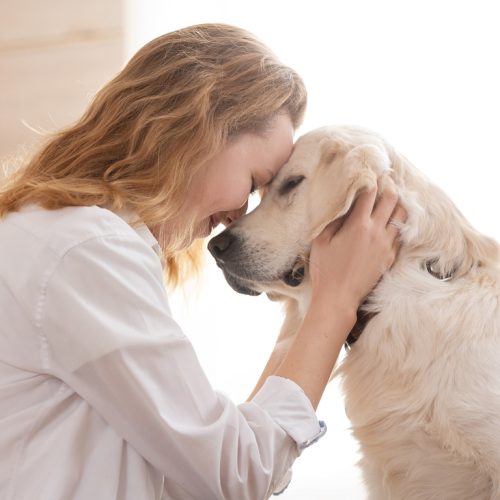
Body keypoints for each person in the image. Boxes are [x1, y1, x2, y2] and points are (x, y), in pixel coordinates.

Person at [0, 24, 406, 500]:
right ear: (196, 129)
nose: (239, 215)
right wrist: (335, 304)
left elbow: (191, 472)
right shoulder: (84, 249)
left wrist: (312, 297)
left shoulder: (54, 234)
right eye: (255, 180)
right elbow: (234, 474)